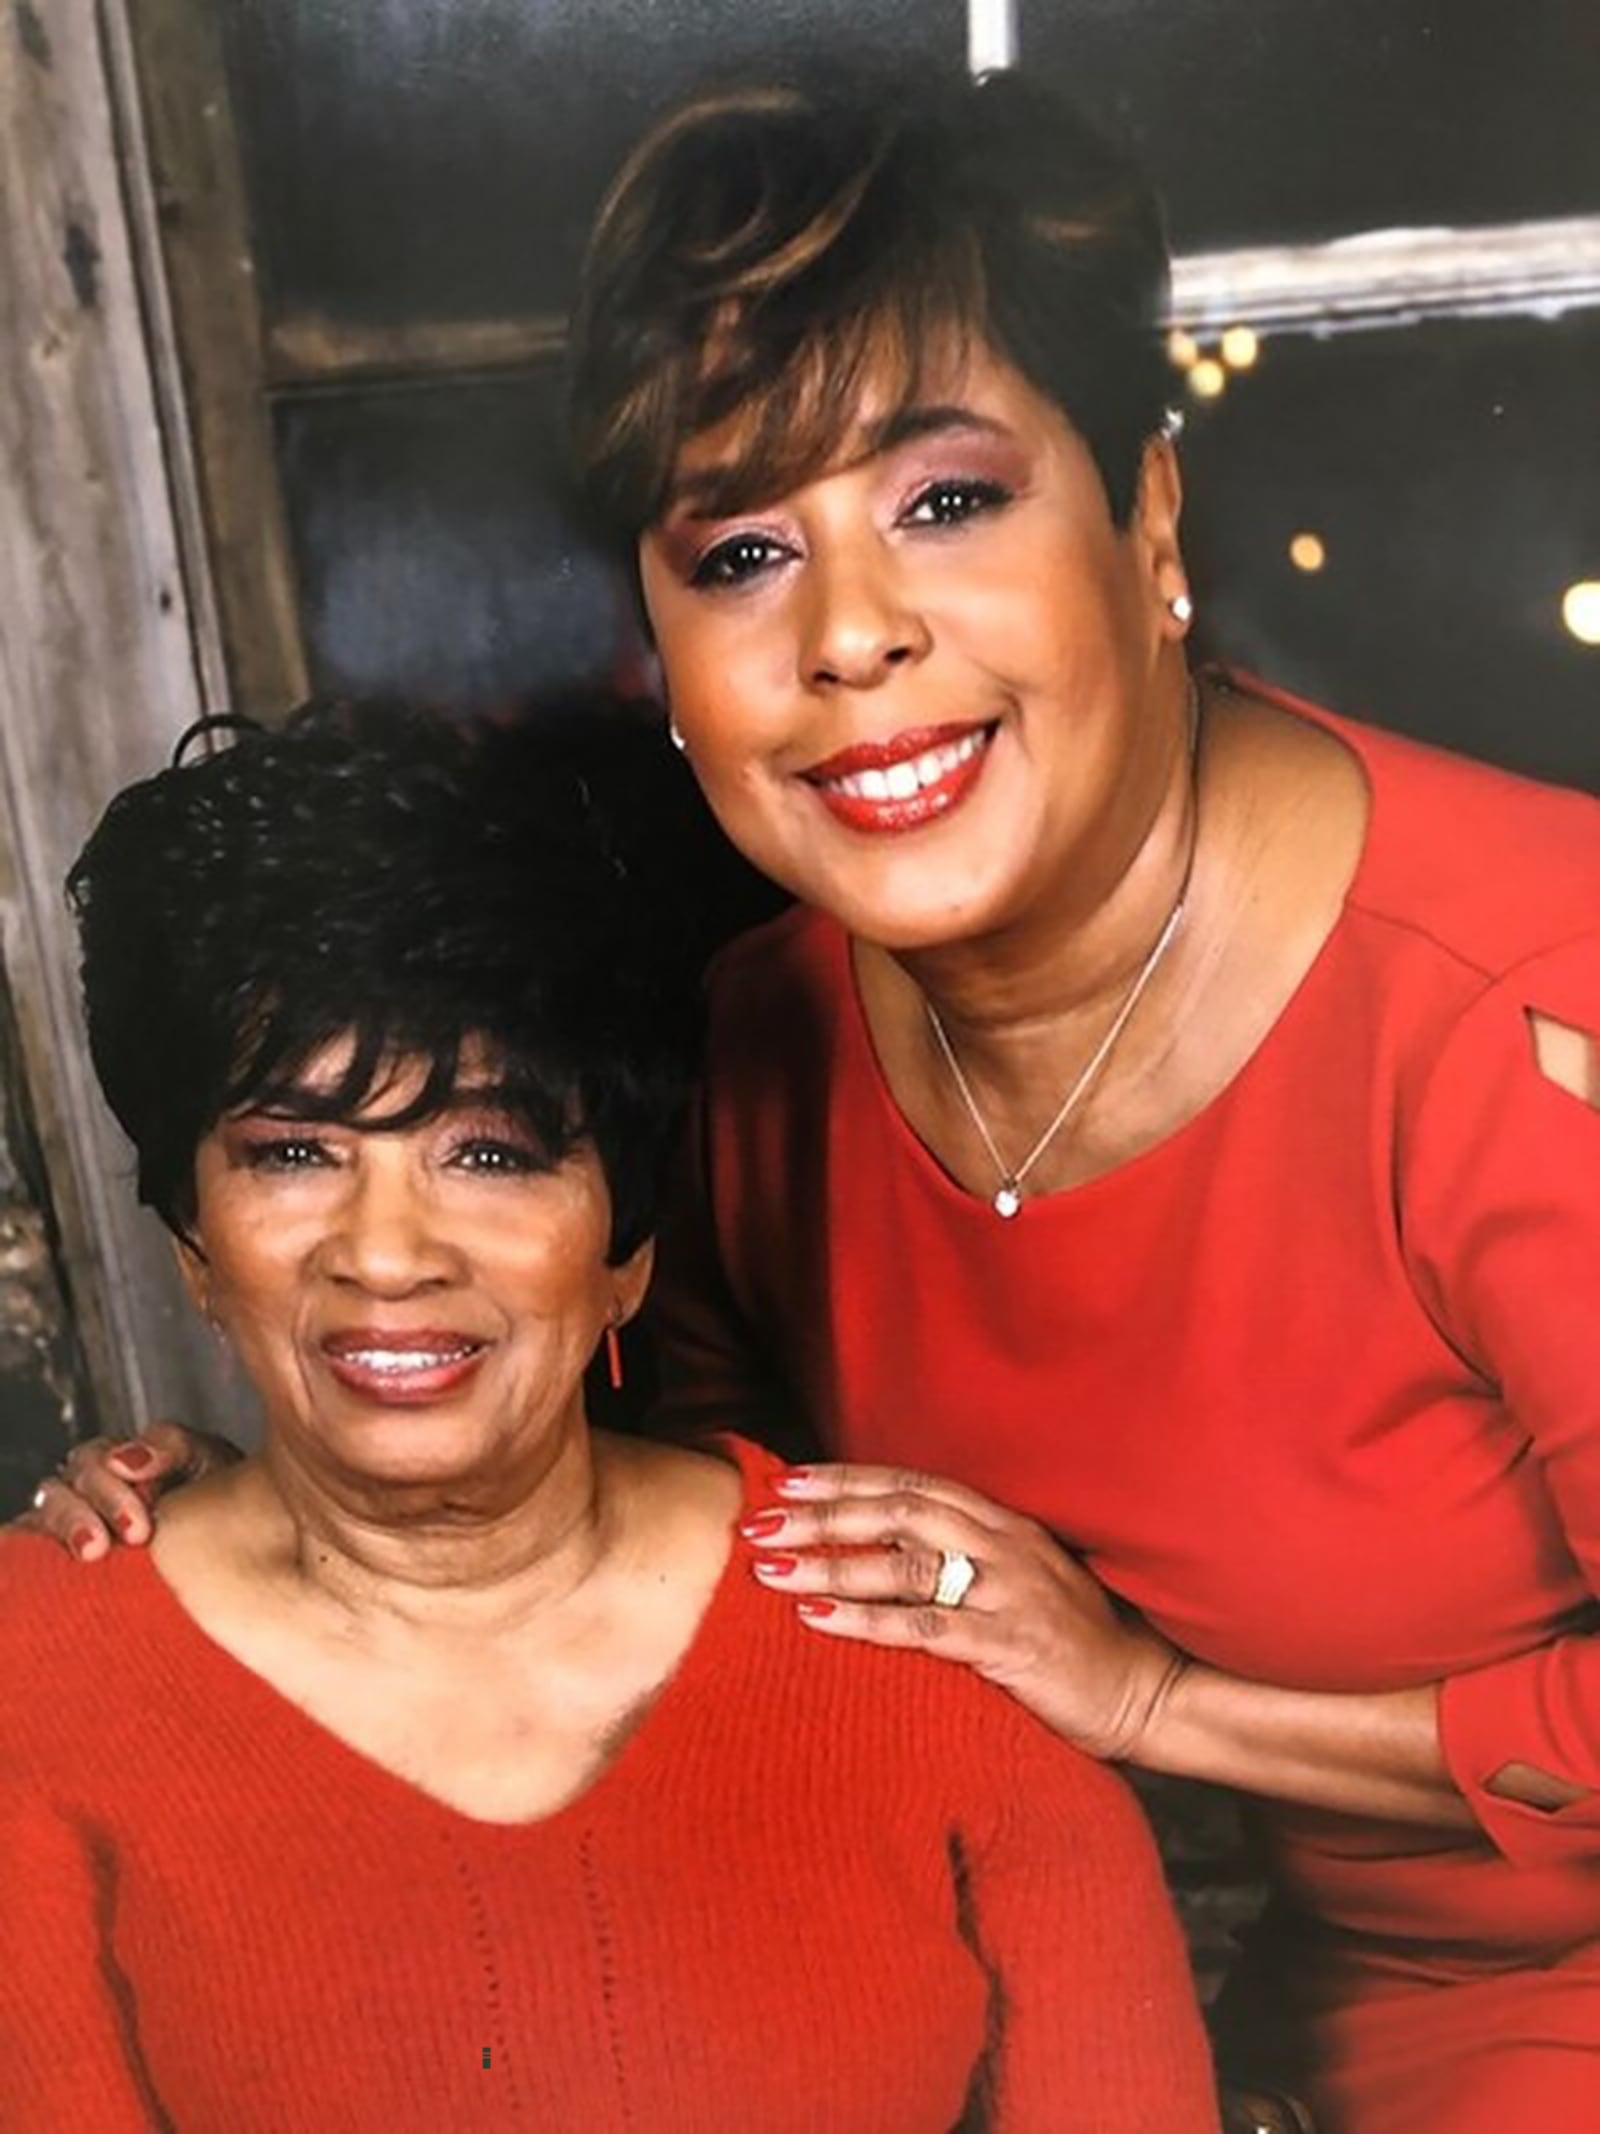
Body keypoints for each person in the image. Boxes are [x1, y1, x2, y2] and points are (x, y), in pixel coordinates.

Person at [32, 67, 1600, 2134]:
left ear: (1145, 521)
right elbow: (620, 1510)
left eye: (944, 500)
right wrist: (226, 1513)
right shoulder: (758, 1047)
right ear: (661, 644)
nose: (848, 632)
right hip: (1217, 1998)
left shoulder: (1528, 1011)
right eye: (742, 550)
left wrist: (1149, 1696)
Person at [0, 702, 1216, 2132]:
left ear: (626, 1244)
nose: (387, 1253)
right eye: (293, 1153)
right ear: (195, 1246)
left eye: (490, 1151)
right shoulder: (37, 1683)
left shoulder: (927, 1638)